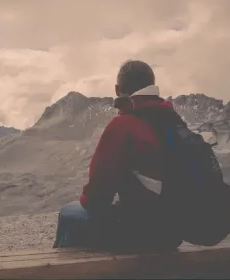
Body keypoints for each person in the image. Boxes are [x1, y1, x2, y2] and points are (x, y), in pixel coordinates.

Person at [53, 60, 183, 252]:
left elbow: (96, 197)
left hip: (141, 232)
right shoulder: (172, 120)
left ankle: (67, 266)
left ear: (117, 89)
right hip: (174, 232)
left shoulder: (123, 126)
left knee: (68, 213)